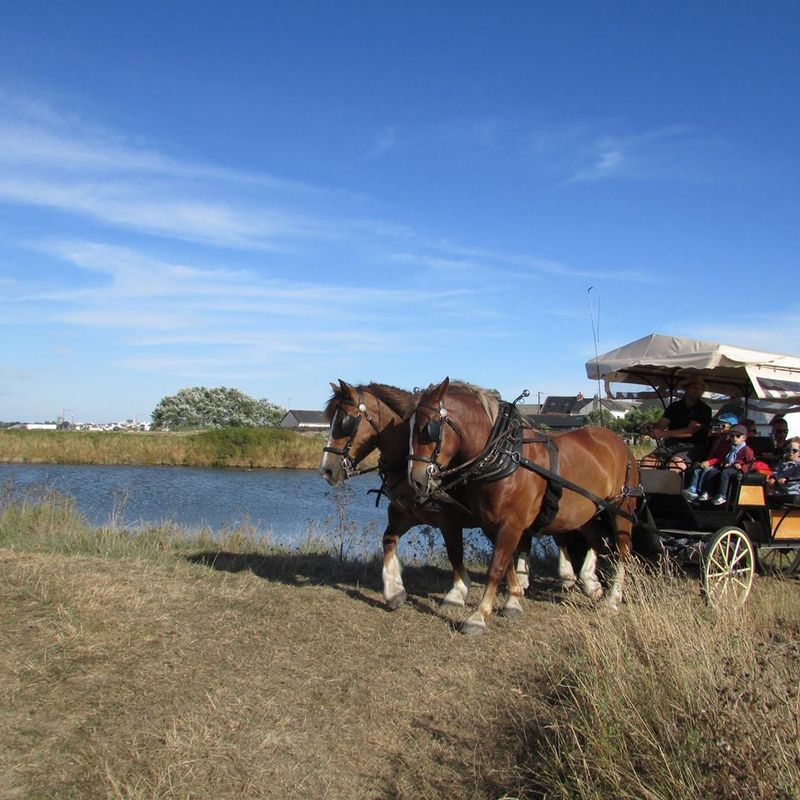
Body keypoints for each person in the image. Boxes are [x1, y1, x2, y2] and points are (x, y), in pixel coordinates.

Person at [641, 375, 713, 472]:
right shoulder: (674, 407)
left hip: (692, 447)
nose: (697, 390)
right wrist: (652, 427)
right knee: (646, 462)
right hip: (671, 445)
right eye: (694, 387)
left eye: (700, 388)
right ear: (686, 389)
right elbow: (662, 425)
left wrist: (663, 434)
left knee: (674, 466)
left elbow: (690, 431)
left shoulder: (705, 409)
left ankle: (668, 486)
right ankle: (644, 486)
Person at [682, 424, 755, 505]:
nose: (734, 438)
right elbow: (721, 458)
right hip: (725, 466)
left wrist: (741, 466)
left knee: (725, 473)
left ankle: (722, 495)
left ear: (744, 438)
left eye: (737, 436)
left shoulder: (747, 450)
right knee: (712, 471)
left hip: (736, 469)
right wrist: (712, 462)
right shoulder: (729, 447)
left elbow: (751, 463)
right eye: (732, 436)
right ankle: (705, 492)